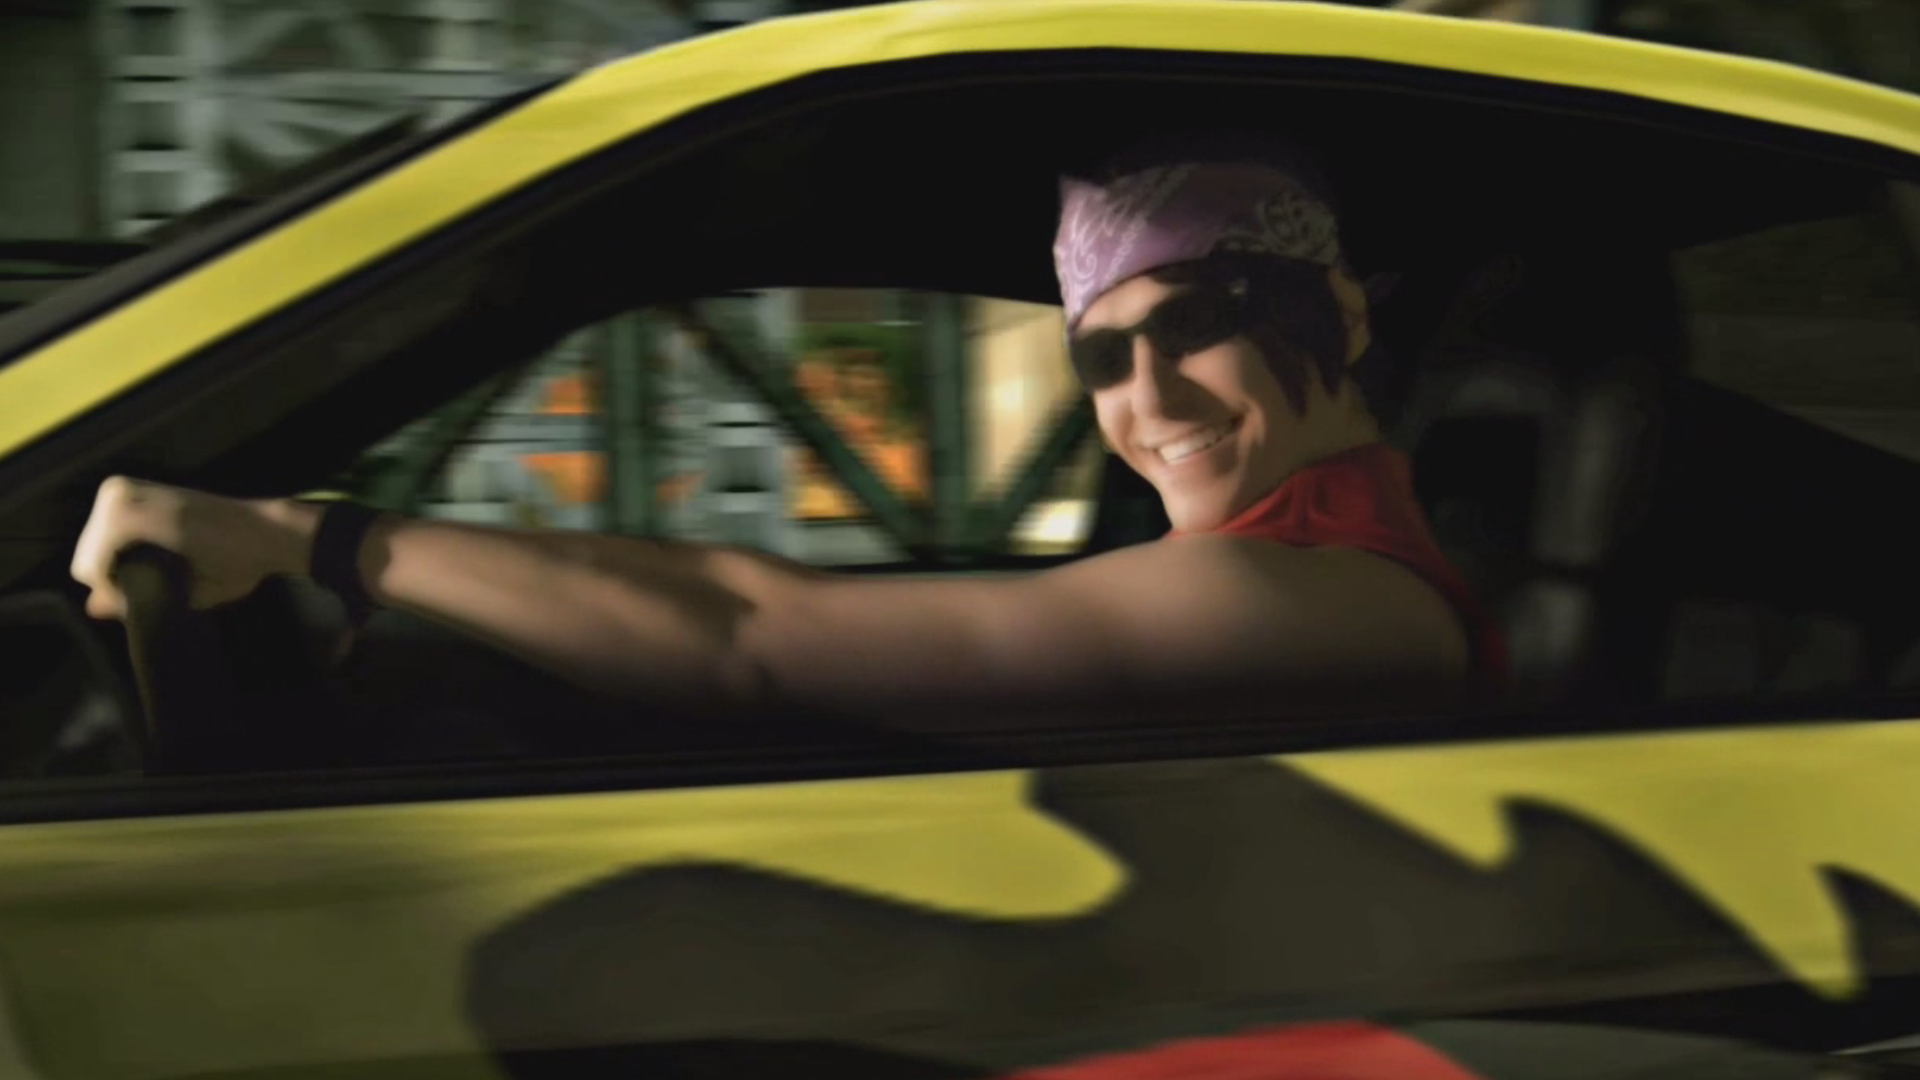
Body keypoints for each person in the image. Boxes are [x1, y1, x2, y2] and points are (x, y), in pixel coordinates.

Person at [70, 137, 1503, 731]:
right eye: (1103, 359)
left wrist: (304, 538)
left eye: (1196, 329)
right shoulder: (1314, 559)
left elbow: (756, 637)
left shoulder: (1321, 596)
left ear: (1336, 316)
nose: (1152, 405)